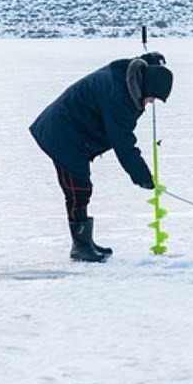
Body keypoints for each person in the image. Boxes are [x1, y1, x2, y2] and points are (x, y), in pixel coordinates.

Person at [29, 52, 173, 262]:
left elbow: (144, 66)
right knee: (78, 190)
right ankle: (81, 247)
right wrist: (142, 176)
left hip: (73, 131)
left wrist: (152, 60)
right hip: (62, 133)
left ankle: (85, 242)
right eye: (152, 98)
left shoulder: (129, 76)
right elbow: (122, 142)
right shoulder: (119, 97)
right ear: (147, 87)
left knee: (80, 189)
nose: (150, 103)